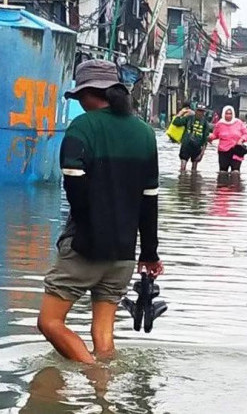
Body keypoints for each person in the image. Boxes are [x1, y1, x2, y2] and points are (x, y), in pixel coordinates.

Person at [38, 59, 163, 364]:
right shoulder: (145, 133)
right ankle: (105, 401)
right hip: (124, 253)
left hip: (86, 247)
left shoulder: (83, 127)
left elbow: (75, 187)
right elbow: (149, 200)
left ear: (88, 94)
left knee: (50, 322)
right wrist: (149, 253)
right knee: (103, 335)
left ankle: (95, 374)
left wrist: (87, 231)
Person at [209, 106, 247, 173]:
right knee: (223, 172)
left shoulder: (239, 122)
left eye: (230, 113)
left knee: (235, 172)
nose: (228, 115)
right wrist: (208, 137)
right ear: (223, 114)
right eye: (226, 113)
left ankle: (235, 183)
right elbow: (215, 135)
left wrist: (241, 140)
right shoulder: (219, 124)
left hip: (236, 150)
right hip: (223, 151)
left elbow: (246, 134)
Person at [172, 104, 212, 172]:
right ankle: (183, 181)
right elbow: (176, 122)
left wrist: (202, 153)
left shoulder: (205, 123)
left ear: (204, 112)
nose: (200, 113)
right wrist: (180, 113)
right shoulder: (189, 118)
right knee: (182, 168)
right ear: (195, 111)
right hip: (186, 145)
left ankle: (193, 181)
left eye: (202, 111)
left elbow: (205, 139)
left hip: (197, 147)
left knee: (194, 169)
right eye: (199, 111)